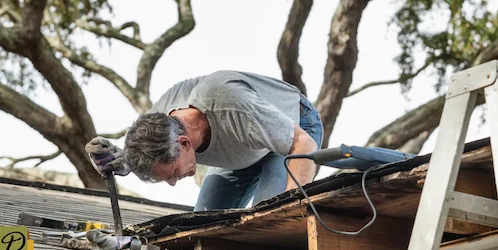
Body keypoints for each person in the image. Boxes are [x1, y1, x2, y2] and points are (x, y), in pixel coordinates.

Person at [85, 70, 323, 211]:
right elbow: (143, 157)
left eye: (172, 173)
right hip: (244, 144)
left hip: (293, 128)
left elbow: (303, 144)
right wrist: (119, 161)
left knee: (271, 215)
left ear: (184, 143)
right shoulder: (157, 125)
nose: (173, 183)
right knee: (201, 225)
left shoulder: (232, 105)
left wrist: (292, 212)